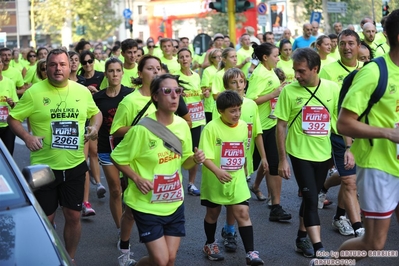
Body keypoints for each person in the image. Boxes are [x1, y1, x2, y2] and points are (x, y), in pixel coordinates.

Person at [7, 48, 102, 262]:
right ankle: (48, 257)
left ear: (70, 67)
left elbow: (96, 113)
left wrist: (94, 127)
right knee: (45, 219)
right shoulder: (34, 92)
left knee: (73, 215)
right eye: (53, 64)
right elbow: (13, 118)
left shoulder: (82, 91)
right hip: (43, 169)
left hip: (75, 164)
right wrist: (27, 137)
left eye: (62, 64)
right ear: (46, 68)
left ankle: (69, 258)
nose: (58, 68)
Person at [111, 73, 205, 266]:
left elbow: (184, 162)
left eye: (177, 91)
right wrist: (136, 179)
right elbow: (117, 157)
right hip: (146, 204)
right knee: (161, 261)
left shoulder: (182, 125)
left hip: (174, 201)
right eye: (167, 91)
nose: (174, 96)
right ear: (155, 96)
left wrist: (194, 160)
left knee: (169, 260)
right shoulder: (142, 130)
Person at [337, 8, 399, 258]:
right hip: (379, 167)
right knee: (373, 244)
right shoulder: (374, 72)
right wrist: (389, 134)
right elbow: (344, 123)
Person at [274, 48, 339, 260]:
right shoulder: (289, 91)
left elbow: (338, 122)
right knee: (311, 198)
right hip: (299, 154)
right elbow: (281, 125)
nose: (297, 76)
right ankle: (319, 247)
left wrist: (348, 149)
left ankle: (301, 236)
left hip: (324, 154)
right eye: (295, 71)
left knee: (310, 197)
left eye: (301, 71)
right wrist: (283, 159)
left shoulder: (332, 89)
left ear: (315, 69)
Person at [200, 90, 264, 266]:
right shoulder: (211, 128)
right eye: (232, 111)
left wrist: (244, 170)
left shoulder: (244, 126)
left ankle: (251, 252)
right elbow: (205, 156)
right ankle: (210, 243)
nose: (237, 114)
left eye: (238, 109)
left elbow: (242, 149)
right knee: (213, 213)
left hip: (236, 178)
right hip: (215, 178)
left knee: (243, 212)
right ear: (220, 111)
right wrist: (217, 171)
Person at [111, 55, 161, 262]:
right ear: (140, 74)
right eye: (151, 68)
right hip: (136, 160)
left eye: (159, 68)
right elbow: (116, 131)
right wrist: (144, 128)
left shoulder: (165, 97)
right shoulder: (130, 100)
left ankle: (157, 245)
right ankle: (124, 249)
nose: (156, 72)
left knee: (159, 203)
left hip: (160, 158)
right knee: (132, 208)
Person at [212, 68, 268, 253]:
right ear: (226, 87)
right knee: (228, 200)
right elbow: (216, 134)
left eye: (241, 82)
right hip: (224, 164)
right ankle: (228, 231)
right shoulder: (220, 106)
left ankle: (230, 231)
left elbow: (257, 132)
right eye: (233, 83)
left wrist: (264, 158)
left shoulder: (251, 105)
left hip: (245, 162)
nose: (238, 85)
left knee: (236, 201)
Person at [319, 29, 365, 238]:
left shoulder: (368, 70)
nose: (347, 47)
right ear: (337, 46)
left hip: (363, 132)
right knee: (350, 181)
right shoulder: (327, 70)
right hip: (338, 132)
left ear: (358, 45)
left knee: (352, 176)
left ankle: (325, 187)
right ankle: (351, 224)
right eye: (343, 43)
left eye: (351, 43)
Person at [246, 43, 292, 222]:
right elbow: (250, 99)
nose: (279, 58)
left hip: (271, 125)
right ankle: (234, 202)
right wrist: (274, 93)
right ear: (265, 57)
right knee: (249, 166)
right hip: (260, 128)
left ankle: (276, 205)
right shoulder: (260, 73)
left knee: (273, 166)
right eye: (275, 55)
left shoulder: (269, 70)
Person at [93, 58, 133, 244]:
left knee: (128, 189)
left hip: (129, 149)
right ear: (106, 74)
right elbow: (91, 119)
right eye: (111, 71)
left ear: (122, 73)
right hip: (106, 147)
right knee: (115, 190)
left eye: (118, 70)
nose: (115, 74)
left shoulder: (130, 95)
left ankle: (128, 218)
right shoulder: (97, 98)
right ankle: (120, 230)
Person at [78, 50, 107, 216]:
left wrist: (96, 93)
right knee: (84, 157)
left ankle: (98, 183)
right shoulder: (80, 80)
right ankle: (84, 193)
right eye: (84, 62)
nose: (87, 64)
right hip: (83, 118)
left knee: (94, 152)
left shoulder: (101, 76)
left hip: (97, 117)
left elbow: (106, 93)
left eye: (90, 61)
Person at [177, 48, 207, 196]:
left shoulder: (196, 76)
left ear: (191, 59)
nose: (184, 59)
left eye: (187, 56)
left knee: (194, 150)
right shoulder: (176, 78)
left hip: (197, 118)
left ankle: (191, 183)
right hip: (182, 120)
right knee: (178, 151)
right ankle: (175, 181)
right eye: (181, 57)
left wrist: (204, 95)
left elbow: (197, 95)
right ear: (178, 60)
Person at [0, 57, 18, 154]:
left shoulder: (9, 82)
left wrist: (12, 103)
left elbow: (16, 105)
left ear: (2, 65)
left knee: (8, 155)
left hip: (7, 126)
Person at [200, 48, 222, 123]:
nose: (219, 58)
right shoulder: (208, 70)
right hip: (211, 105)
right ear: (211, 59)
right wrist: (214, 87)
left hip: (223, 102)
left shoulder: (225, 70)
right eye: (216, 57)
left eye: (221, 56)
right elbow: (203, 89)